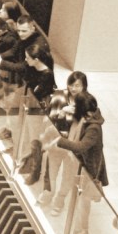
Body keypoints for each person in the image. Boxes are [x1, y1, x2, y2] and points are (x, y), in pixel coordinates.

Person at [48, 92, 108, 234]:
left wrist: (59, 141)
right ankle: (76, 228)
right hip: (79, 165)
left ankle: (82, 231)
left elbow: (80, 147)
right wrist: (64, 113)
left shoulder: (93, 128)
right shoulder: (88, 116)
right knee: (79, 197)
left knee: (83, 201)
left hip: (89, 170)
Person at [41, 71, 89, 213]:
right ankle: (48, 194)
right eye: (71, 85)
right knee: (51, 171)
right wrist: (61, 114)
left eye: (77, 85)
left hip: (72, 147)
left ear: (84, 86)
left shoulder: (87, 102)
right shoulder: (59, 96)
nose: (73, 88)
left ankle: (60, 200)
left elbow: (88, 126)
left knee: (68, 175)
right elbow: (49, 119)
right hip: (56, 142)